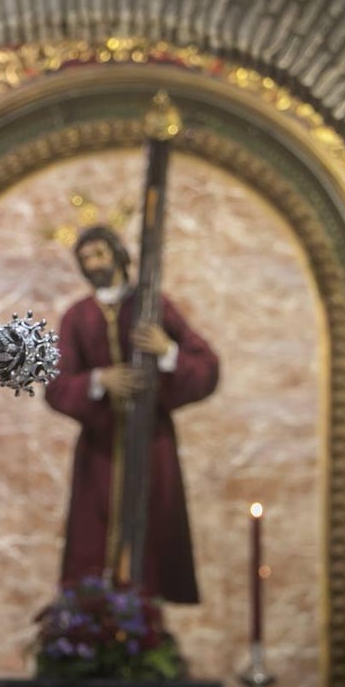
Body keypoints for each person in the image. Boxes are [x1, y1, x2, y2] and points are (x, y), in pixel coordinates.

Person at [45, 225, 219, 603]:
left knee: (151, 536)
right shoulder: (77, 317)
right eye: (86, 258)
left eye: (100, 253)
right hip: (100, 453)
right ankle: (93, 627)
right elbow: (56, 386)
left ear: (119, 254)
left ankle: (145, 628)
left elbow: (206, 369)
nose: (94, 263)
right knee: (94, 540)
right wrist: (99, 380)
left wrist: (167, 349)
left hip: (150, 445)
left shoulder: (153, 306)